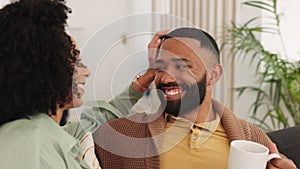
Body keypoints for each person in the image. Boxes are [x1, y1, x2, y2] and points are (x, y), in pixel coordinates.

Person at [93, 28, 297, 169]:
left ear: (213, 75)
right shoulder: (126, 134)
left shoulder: (252, 138)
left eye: (182, 66)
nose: (166, 78)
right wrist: (146, 76)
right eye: (160, 67)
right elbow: (74, 135)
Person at [0, 0, 154, 169]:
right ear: (47, 69)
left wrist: (145, 79)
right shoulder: (29, 147)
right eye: (76, 61)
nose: (86, 71)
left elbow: (98, 119)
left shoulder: (47, 133)